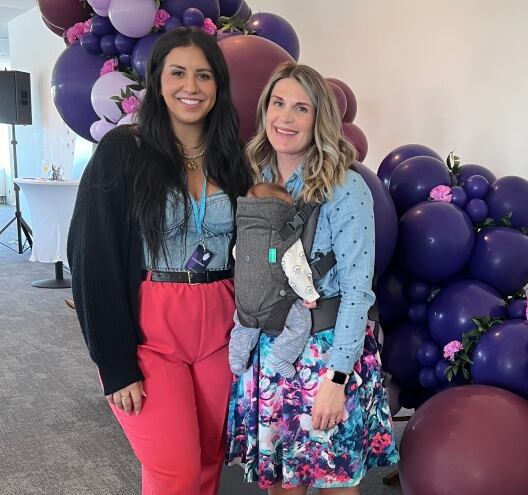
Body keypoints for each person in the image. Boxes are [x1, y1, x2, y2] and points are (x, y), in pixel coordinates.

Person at [67, 27, 252, 495]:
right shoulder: (121, 152)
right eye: (178, 72)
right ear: (158, 79)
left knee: (209, 463)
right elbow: (92, 259)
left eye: (204, 75)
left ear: (218, 86)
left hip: (219, 330)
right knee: (176, 473)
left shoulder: (232, 158)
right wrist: (115, 363)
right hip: (150, 333)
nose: (191, 86)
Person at [225, 62, 399, 494]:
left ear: (319, 119)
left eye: (301, 108)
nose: (285, 118)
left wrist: (337, 381)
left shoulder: (345, 186)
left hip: (326, 354)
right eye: (278, 104)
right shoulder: (256, 177)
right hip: (270, 350)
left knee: (335, 483)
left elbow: (359, 291)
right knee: (281, 485)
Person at [228, 182, 320, 378]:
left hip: (244, 304)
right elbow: (296, 269)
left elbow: (236, 255)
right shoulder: (283, 236)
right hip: (274, 306)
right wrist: (309, 295)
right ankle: (280, 357)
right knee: (301, 324)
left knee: (243, 327)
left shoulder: (245, 232)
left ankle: (236, 359)